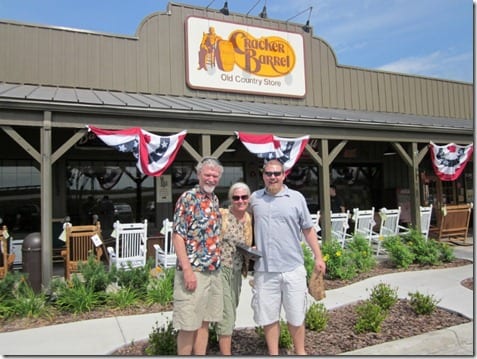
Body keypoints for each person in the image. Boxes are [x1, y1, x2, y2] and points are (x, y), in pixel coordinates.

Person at [249, 159, 326, 355]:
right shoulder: (254, 199)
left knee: (296, 316)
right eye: (268, 173)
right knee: (268, 317)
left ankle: (300, 352)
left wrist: (319, 257)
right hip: (265, 271)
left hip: (293, 268)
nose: (272, 177)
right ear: (263, 175)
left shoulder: (296, 198)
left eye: (276, 173)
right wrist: (250, 243)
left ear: (284, 175)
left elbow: (308, 229)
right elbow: (244, 224)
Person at [171, 156, 224, 355]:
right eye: (207, 174)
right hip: (194, 272)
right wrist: (187, 271)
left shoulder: (214, 199)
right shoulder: (188, 198)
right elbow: (178, 236)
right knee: (188, 324)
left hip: (213, 272)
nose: (211, 178)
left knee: (204, 322)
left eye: (215, 175)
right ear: (199, 174)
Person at [216, 182, 253, 355]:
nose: (240, 200)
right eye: (236, 197)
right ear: (231, 199)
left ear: (249, 199)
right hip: (221, 269)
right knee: (227, 313)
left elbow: (247, 243)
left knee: (232, 306)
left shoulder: (248, 219)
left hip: (237, 272)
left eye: (244, 197)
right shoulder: (222, 215)